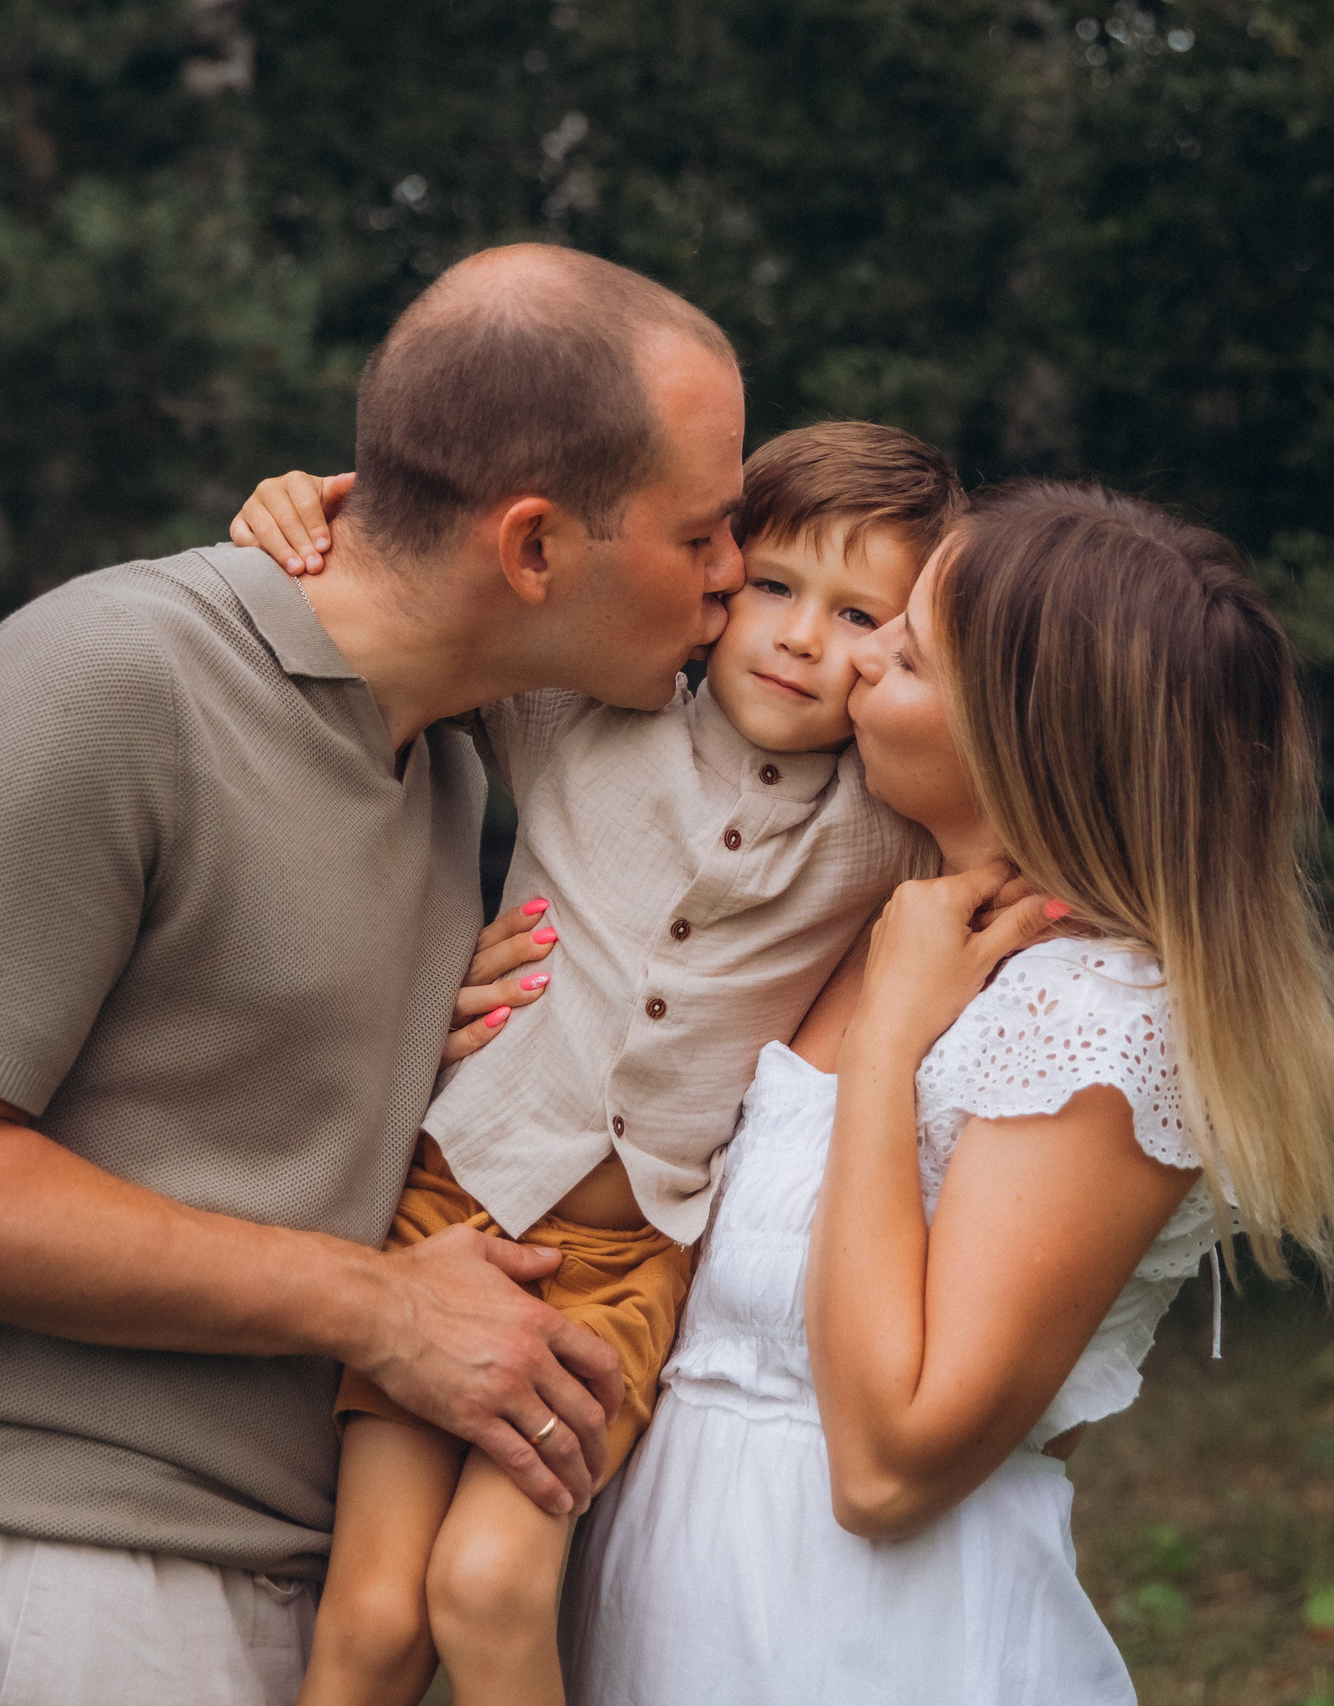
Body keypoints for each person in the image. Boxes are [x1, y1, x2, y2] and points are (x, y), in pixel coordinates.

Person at [0, 243, 747, 1706]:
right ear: (536, 549)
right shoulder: (107, 680)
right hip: (82, 1581)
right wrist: (385, 1310)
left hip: (329, 1597)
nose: (736, 576)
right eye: (704, 535)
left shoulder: (449, 754)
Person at [560, 481, 1334, 1703]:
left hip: (859, 1646)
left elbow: (894, 1462)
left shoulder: (1096, 1023)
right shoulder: (867, 905)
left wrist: (888, 1038)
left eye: (901, 651)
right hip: (679, 1609)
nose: (852, 658)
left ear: (1019, 738)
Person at [225, 421, 964, 1706]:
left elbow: (1042, 823)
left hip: (626, 1270)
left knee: (492, 1586)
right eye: (775, 588)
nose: (799, 636)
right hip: (443, 1217)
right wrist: (303, 511)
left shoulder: (886, 830)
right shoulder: (583, 714)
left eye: (861, 617)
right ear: (717, 585)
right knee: (374, 1621)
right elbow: (430, 593)